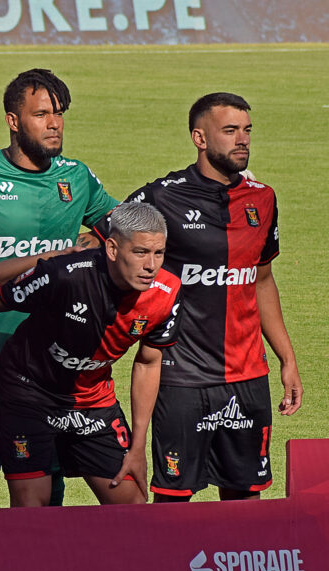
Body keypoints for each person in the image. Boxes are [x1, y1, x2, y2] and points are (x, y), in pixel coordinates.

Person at [0, 68, 119, 509]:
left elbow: (122, 232)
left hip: (52, 360)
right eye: (41, 114)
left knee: (48, 472)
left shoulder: (77, 178)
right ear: (14, 121)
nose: (54, 123)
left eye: (59, 114)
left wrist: (92, 243)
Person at [103, 92, 302, 502]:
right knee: (173, 501)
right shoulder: (162, 196)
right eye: (229, 131)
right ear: (199, 137)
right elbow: (105, 242)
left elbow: (261, 280)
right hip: (181, 379)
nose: (242, 140)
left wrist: (287, 358)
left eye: (247, 131)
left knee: (246, 500)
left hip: (248, 377)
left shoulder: (263, 199)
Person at [0, 202, 181, 506]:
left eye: (158, 253)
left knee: (133, 507)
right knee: (31, 510)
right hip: (29, 394)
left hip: (93, 401)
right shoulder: (64, 274)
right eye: (140, 252)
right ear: (111, 248)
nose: (151, 265)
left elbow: (148, 363)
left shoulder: (167, 292)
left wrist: (138, 445)